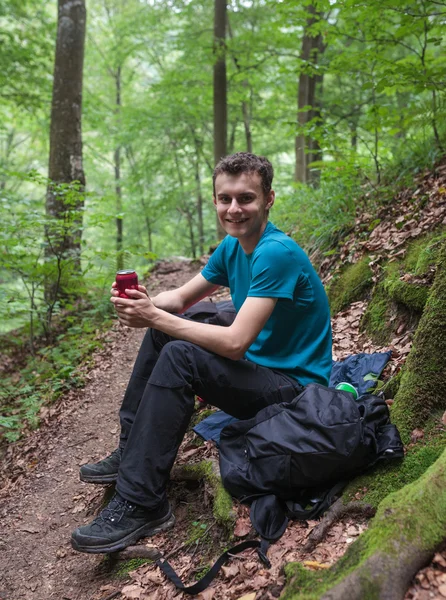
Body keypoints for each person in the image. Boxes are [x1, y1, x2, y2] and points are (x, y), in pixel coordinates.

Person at [71, 152, 332, 554]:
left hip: (293, 392)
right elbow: (180, 297)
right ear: (214, 201)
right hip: (259, 371)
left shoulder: (275, 252)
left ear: (269, 199)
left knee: (178, 352)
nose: (234, 208)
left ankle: (142, 502)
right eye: (224, 198)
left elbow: (234, 343)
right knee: (164, 333)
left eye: (246, 198)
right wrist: (144, 304)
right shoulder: (233, 246)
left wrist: (155, 318)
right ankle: (130, 452)